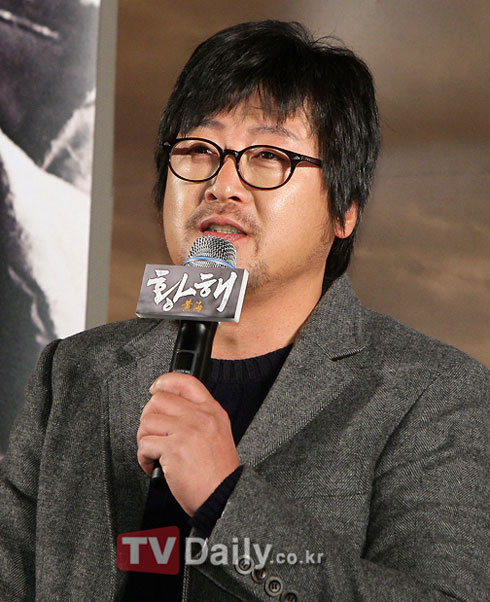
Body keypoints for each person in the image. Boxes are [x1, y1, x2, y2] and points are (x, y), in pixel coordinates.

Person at [0, 20, 488, 602]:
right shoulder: (73, 371)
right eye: (199, 151)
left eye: (268, 156)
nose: (222, 185)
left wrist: (226, 499)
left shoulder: (433, 393)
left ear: (345, 210)